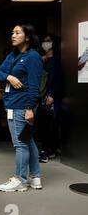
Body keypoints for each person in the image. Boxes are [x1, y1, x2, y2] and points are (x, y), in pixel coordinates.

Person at [0, 24, 43, 192]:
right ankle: (35, 177)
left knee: (20, 144)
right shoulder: (12, 55)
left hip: (22, 105)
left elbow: (35, 86)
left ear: (27, 37)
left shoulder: (33, 57)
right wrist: (10, 77)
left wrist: (30, 108)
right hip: (14, 103)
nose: (13, 35)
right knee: (28, 141)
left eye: (17, 33)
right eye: (12, 32)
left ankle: (20, 180)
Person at [36, 33, 62, 162]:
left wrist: (52, 95)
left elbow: (58, 79)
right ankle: (45, 149)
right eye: (44, 41)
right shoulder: (42, 59)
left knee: (51, 125)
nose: (46, 43)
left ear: (53, 43)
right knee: (43, 125)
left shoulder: (57, 60)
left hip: (51, 97)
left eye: (48, 41)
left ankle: (49, 150)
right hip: (41, 96)